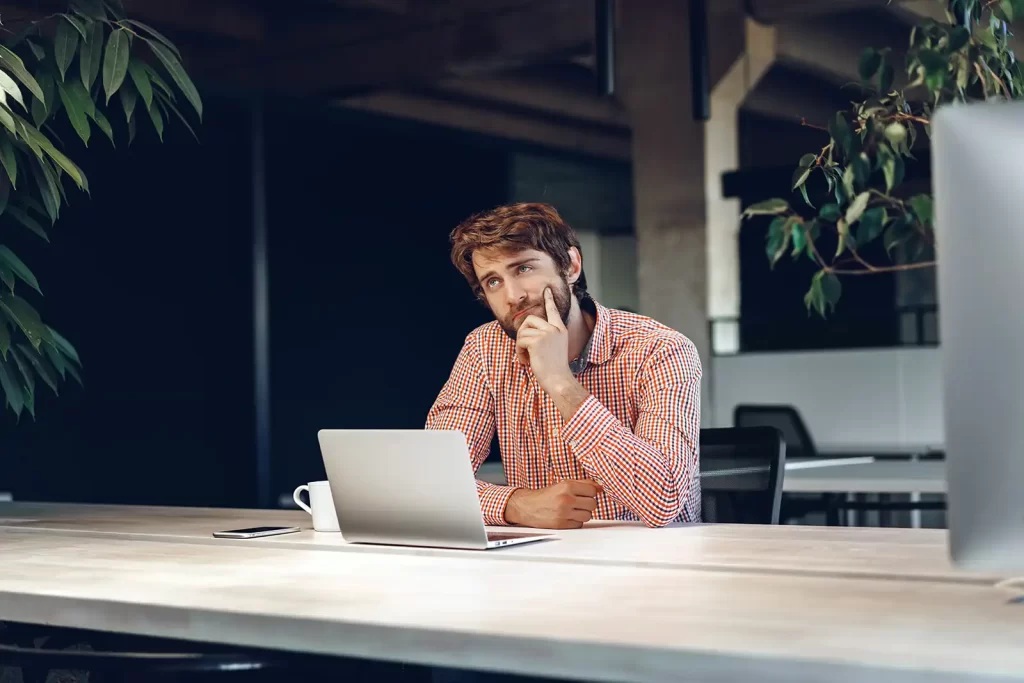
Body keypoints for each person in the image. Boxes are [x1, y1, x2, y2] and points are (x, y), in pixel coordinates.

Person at [425, 203, 702, 529]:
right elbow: (432, 480)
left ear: (571, 266)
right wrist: (515, 505)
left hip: (658, 563)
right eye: (494, 282)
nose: (512, 296)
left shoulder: (660, 349)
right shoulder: (485, 349)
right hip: (544, 562)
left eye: (523, 269)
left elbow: (664, 498)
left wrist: (559, 380)